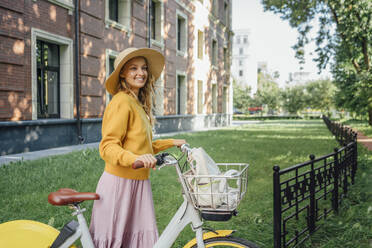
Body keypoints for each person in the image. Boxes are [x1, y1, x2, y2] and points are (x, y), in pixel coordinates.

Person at [89, 47, 186, 248]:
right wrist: (134, 159)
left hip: (139, 182)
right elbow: (108, 146)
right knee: (116, 240)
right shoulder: (121, 101)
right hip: (120, 183)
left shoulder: (137, 103)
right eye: (133, 68)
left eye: (143, 68)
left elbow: (143, 145)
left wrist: (172, 143)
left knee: (136, 241)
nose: (140, 73)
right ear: (122, 73)